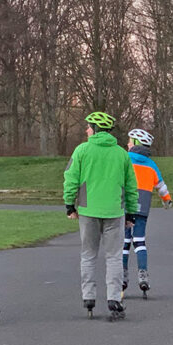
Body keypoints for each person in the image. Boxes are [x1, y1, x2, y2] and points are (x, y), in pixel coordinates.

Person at [63, 111, 140, 321]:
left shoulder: (82, 150)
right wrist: (131, 212)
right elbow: (131, 186)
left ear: (95, 129)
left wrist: (69, 204)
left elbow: (71, 178)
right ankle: (114, 298)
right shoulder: (121, 154)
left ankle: (89, 297)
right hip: (115, 210)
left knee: (88, 254)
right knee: (114, 256)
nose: (86, 129)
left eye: (88, 126)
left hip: (88, 210)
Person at [123, 128, 173, 297]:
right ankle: (143, 274)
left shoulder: (125, 159)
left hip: (124, 207)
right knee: (139, 241)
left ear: (135, 144)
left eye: (130, 141)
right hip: (142, 208)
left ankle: (122, 276)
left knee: (124, 242)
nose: (127, 143)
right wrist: (167, 200)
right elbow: (161, 186)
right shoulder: (151, 165)